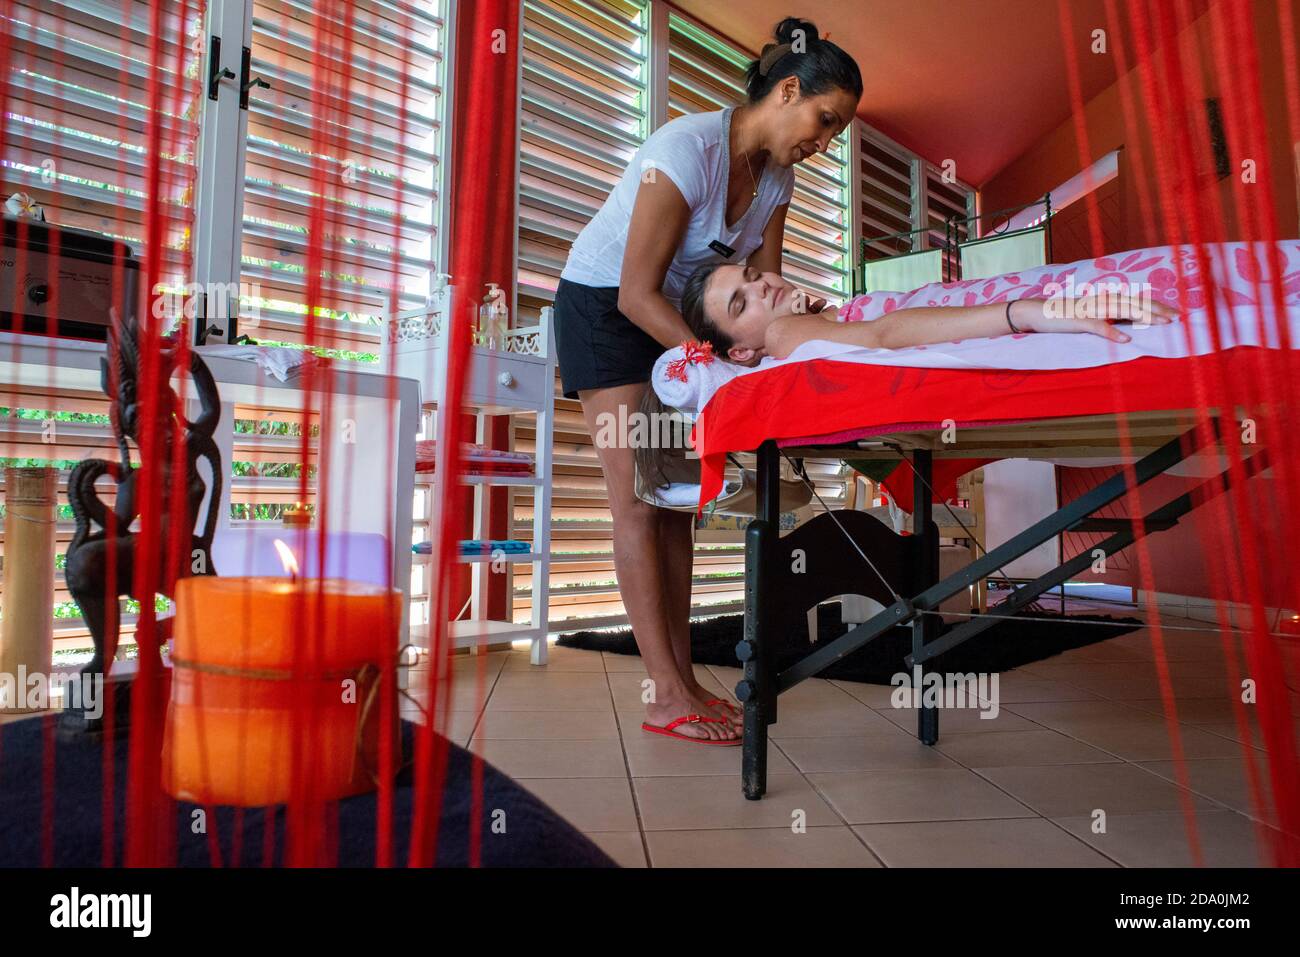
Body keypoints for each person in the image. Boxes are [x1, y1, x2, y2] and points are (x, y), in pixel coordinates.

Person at [553, 17, 862, 743]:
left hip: (678, 324)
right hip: (606, 308)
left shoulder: (776, 178)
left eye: (835, 134)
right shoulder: (686, 150)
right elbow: (636, 293)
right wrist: (715, 364)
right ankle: (663, 694)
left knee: (675, 502)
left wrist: (804, 321)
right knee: (636, 496)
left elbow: (767, 285)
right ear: (788, 90)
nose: (823, 144)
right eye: (824, 121)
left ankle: (686, 678)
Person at [676, 262, 1177, 366]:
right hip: (1019, 309)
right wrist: (1027, 312)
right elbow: (884, 334)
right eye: (742, 303)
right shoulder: (783, 337)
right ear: (740, 351)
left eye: (752, 274)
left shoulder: (828, 318)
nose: (762, 285)